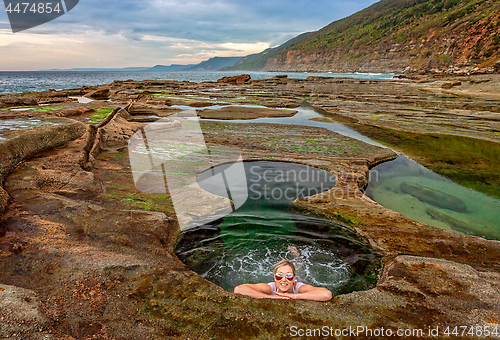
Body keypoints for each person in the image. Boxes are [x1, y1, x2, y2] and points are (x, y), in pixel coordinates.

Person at [233, 260, 332, 301]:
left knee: (300, 266)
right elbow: (238, 289)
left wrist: (295, 296)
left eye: (288, 276)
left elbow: (326, 294)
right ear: (275, 277)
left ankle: (297, 256)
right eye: (279, 276)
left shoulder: (298, 288)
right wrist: (268, 297)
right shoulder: (270, 288)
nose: (284, 280)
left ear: (293, 278)